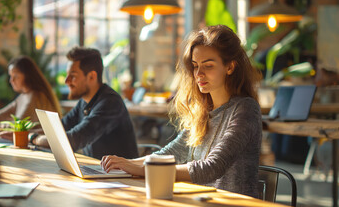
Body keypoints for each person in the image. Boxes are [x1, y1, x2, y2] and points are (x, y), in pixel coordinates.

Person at [100, 25, 262, 197]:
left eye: (208, 66)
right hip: (199, 200)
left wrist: (141, 169)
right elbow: (172, 153)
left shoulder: (245, 109)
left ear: (230, 67)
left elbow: (212, 167)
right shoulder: (202, 111)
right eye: (195, 65)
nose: (198, 74)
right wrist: (125, 164)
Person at [30, 47, 139, 160]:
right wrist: (24, 133)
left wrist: (34, 138)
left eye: (73, 75)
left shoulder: (110, 103)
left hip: (120, 175)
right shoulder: (84, 101)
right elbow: (58, 127)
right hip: (97, 171)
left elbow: (73, 140)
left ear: (92, 76)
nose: (66, 81)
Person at [0, 56, 62, 131]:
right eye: (10, 76)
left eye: (15, 76)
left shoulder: (35, 95)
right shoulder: (24, 96)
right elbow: (1, 114)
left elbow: (18, 126)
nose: (11, 80)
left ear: (28, 76)